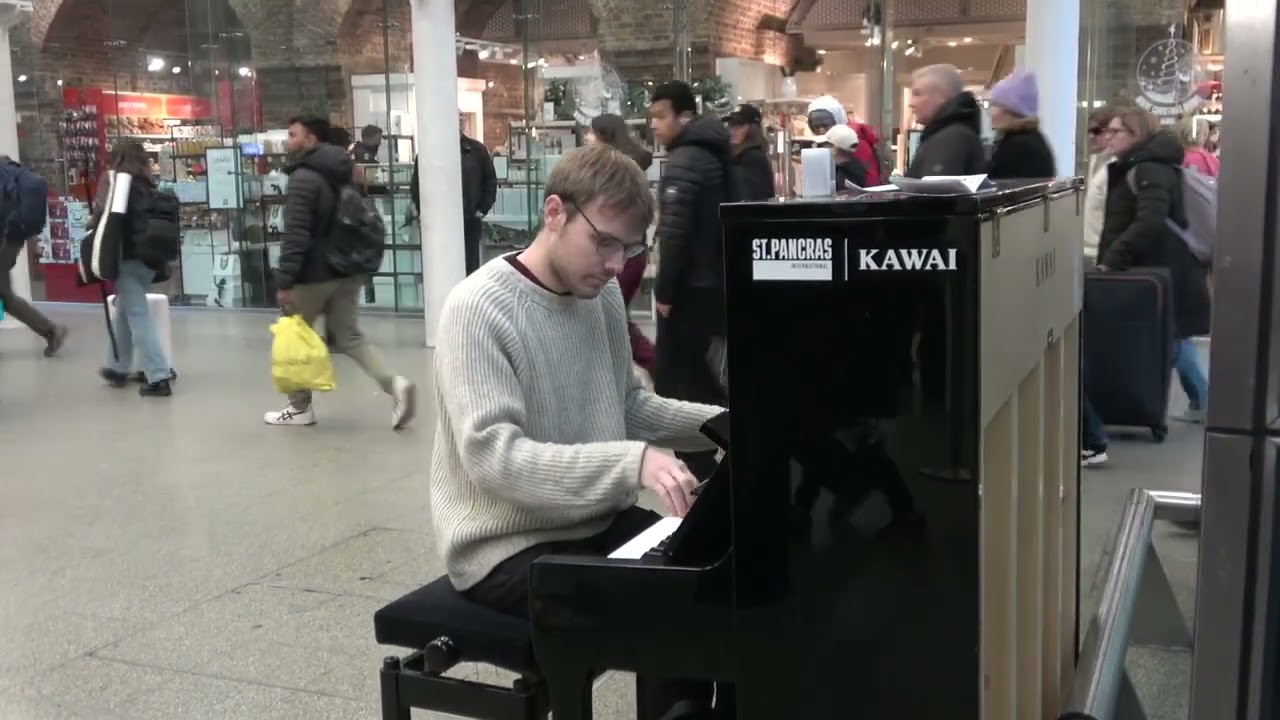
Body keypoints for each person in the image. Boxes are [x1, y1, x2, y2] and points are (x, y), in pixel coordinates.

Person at [430, 142, 724, 717]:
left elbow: (627, 406)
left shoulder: (602, 294)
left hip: (594, 523)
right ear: (555, 213)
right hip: (505, 546)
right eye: (604, 242)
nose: (617, 264)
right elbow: (496, 459)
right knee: (663, 610)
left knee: (711, 576)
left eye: (630, 247)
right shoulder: (478, 309)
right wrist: (632, 462)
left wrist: (723, 424)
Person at [265, 114, 416, 429]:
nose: (287, 141)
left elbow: (296, 234)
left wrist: (285, 280)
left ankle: (299, 408)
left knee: (293, 338)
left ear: (311, 139)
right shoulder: (346, 172)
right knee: (348, 336)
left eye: (293, 134)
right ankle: (395, 384)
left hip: (312, 275)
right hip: (347, 270)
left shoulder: (304, 178)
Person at [1098, 109, 1211, 426]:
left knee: (1172, 337)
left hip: (1161, 268)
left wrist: (1114, 256)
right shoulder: (1141, 167)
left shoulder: (1149, 169)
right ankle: (1198, 399)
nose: (1109, 137)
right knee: (1172, 336)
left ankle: (1202, 397)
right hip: (1160, 267)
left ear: (1135, 135)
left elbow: (1149, 221)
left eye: (1116, 131)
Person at [649, 80, 731, 481]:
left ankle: (708, 477)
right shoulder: (717, 153)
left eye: (661, 116)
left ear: (683, 115)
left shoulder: (685, 161)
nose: (655, 126)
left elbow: (675, 234)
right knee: (701, 382)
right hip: (714, 283)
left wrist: (664, 292)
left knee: (677, 390)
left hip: (690, 291)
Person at [94, 142, 172, 397]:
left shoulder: (118, 184)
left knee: (138, 316)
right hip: (150, 259)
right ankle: (118, 367)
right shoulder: (147, 185)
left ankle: (160, 375)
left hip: (127, 258)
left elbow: (104, 217)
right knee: (125, 312)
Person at [585, 113, 656, 377]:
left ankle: (650, 360)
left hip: (625, 253)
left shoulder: (617, 174)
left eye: (591, 133)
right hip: (632, 253)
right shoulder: (626, 170)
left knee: (613, 316)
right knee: (614, 315)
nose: (587, 139)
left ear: (604, 135)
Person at [0, 162, 67, 357]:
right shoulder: (15, 173)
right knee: (4, 294)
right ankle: (50, 330)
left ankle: (51, 330)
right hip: (12, 239)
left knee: (5, 294)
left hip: (4, 238)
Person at [906, 64, 986, 178]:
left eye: (918, 94)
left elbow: (935, 192)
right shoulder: (950, 133)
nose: (911, 103)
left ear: (942, 95)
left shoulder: (952, 137)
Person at [986, 69, 1056, 179]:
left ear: (1012, 110)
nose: (991, 112)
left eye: (995, 105)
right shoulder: (1031, 139)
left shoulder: (1018, 147)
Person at [806, 95, 882, 186]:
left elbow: (866, 181)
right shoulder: (826, 144)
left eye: (825, 125)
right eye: (816, 127)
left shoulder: (853, 142)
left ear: (837, 120)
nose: (821, 130)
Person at [1083, 107, 1117, 261]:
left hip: (1102, 247)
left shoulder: (1116, 166)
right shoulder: (1093, 160)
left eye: (1096, 131)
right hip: (1087, 245)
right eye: (1090, 131)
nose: (1092, 136)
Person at [724, 104, 775, 200]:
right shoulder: (737, 156)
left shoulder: (752, 157)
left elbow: (752, 200)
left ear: (754, 128)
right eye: (731, 125)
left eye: (740, 125)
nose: (733, 130)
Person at [814, 124, 868, 189]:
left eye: (825, 145)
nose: (823, 148)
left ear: (835, 148)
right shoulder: (856, 168)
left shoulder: (844, 176)